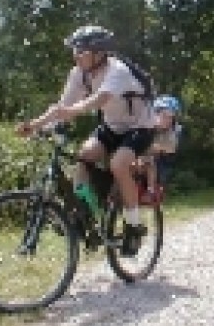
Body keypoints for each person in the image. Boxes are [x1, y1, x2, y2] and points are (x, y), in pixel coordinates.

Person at [14, 25, 155, 256]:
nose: (75, 55)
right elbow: (61, 106)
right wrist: (35, 126)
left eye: (81, 51)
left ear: (99, 53)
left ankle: (133, 225)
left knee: (118, 164)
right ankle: (84, 214)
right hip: (112, 127)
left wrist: (71, 112)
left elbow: (99, 100)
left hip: (140, 127)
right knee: (83, 156)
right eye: (75, 50)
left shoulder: (117, 71)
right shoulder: (78, 73)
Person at [136, 95, 182, 203]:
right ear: (155, 114)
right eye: (164, 116)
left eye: (171, 117)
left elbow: (171, 148)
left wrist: (153, 148)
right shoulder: (146, 126)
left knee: (149, 160)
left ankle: (150, 191)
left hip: (159, 166)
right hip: (138, 160)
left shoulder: (172, 131)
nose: (168, 120)